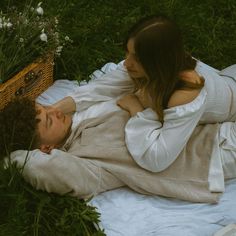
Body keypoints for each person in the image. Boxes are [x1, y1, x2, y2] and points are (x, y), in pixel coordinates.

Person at [114, 15, 236, 175]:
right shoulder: (166, 66)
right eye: (127, 53)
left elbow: (156, 159)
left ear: (160, 60)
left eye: (137, 58)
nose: (126, 63)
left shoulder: (185, 94)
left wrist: (136, 109)